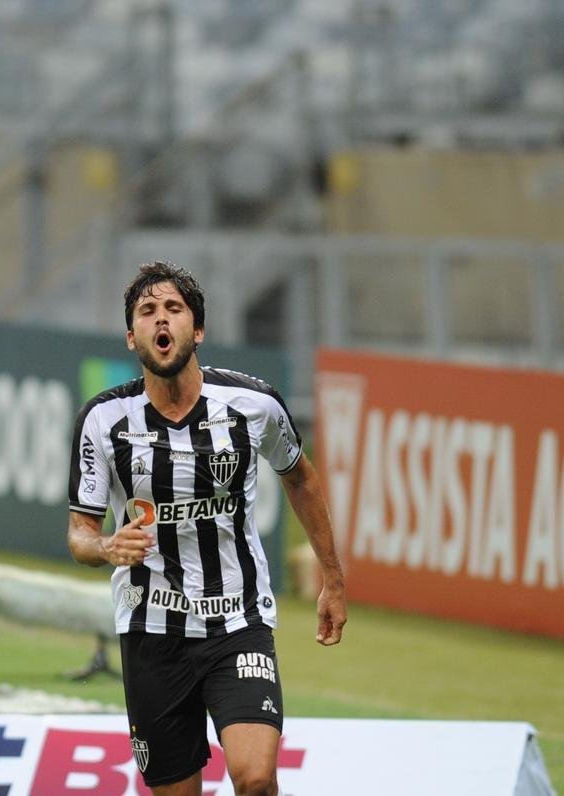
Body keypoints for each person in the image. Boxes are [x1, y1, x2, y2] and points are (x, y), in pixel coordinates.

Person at [66, 261, 347, 796]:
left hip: (237, 621)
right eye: (147, 312)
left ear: (197, 330)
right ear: (132, 336)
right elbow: (79, 531)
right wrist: (105, 545)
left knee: (257, 778)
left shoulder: (253, 405)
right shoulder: (104, 419)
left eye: (173, 308)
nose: (160, 319)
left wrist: (332, 578)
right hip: (150, 632)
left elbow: (301, 479)